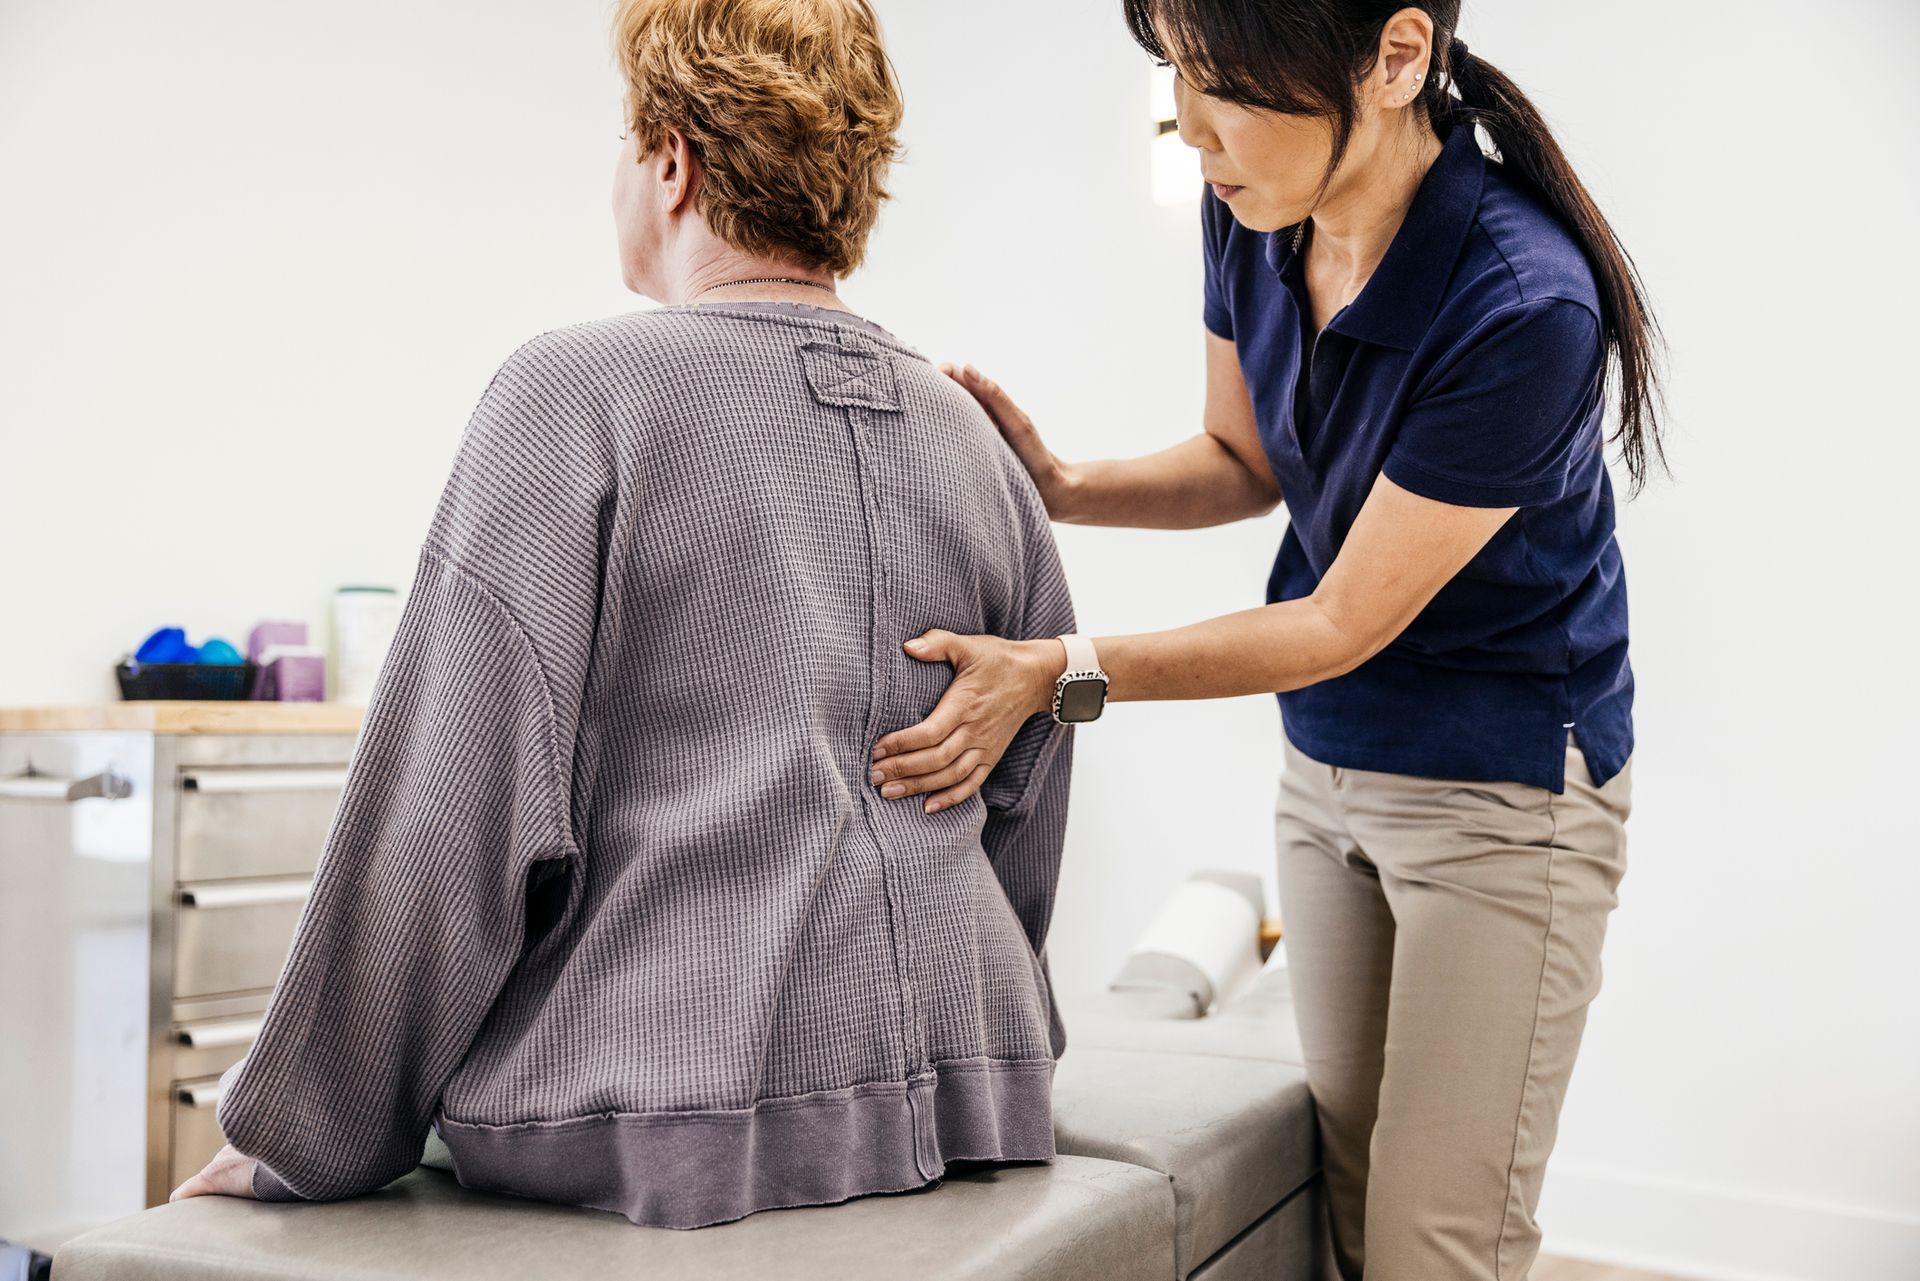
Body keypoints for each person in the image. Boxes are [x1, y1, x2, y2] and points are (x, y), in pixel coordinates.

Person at [170, 0, 1080, 1230]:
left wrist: (307, 1135)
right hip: (976, 1094)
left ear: (673, 160)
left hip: (674, 1106)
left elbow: (451, 809)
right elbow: (1027, 800)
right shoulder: (971, 439)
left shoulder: (573, 394)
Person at [866, 3, 1667, 1278]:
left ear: (1396, 60)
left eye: (1222, 81)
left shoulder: (1524, 304)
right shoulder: (1249, 216)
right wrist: (1065, 485)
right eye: (1173, 73)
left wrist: (1054, 681)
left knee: (1437, 1243)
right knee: (1346, 1195)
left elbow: (1338, 621)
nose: (1188, 121)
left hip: (1505, 800)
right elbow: (1244, 457)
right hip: (1325, 772)